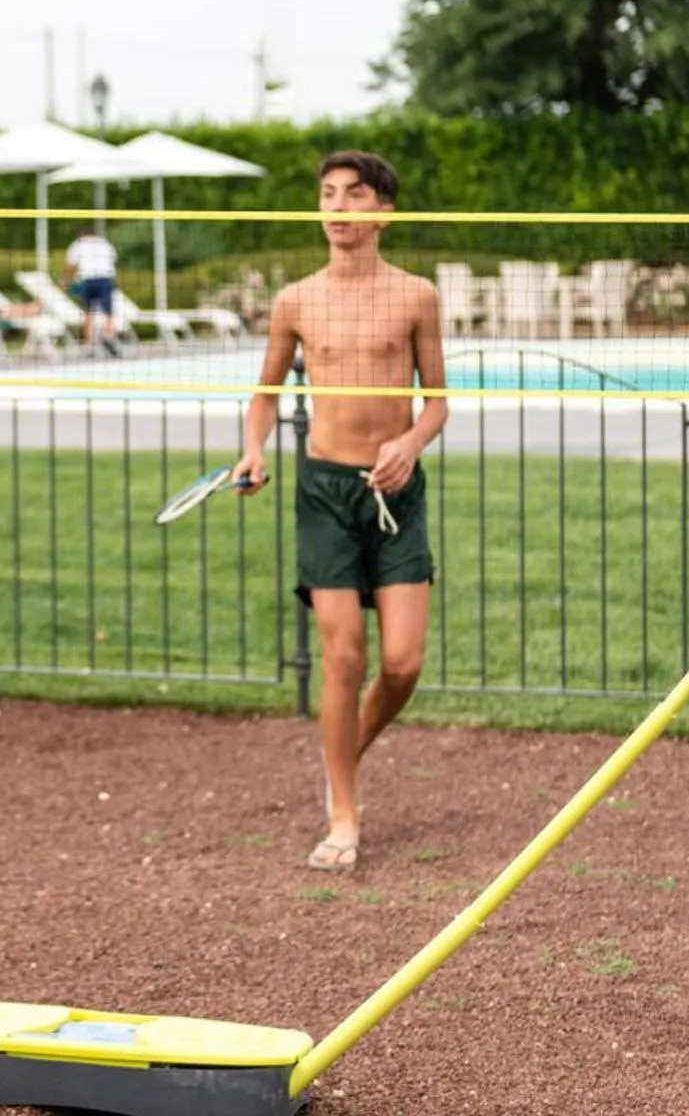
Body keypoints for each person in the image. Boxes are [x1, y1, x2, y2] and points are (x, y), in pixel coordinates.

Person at [231, 152, 446, 872]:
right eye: (327, 195)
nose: (338, 207)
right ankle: (344, 815)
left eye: (353, 195)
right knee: (343, 654)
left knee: (403, 663)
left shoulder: (417, 296)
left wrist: (411, 443)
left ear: (383, 210)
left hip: (393, 492)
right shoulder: (295, 299)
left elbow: (437, 401)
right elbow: (263, 392)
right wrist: (252, 450)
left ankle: (340, 753)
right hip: (323, 490)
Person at [65, 226, 121, 355]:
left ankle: (89, 345)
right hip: (105, 279)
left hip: (87, 280)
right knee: (108, 312)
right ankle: (109, 335)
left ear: (80, 235)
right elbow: (113, 261)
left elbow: (71, 265)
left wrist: (67, 280)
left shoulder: (77, 245)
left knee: (88, 312)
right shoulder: (104, 244)